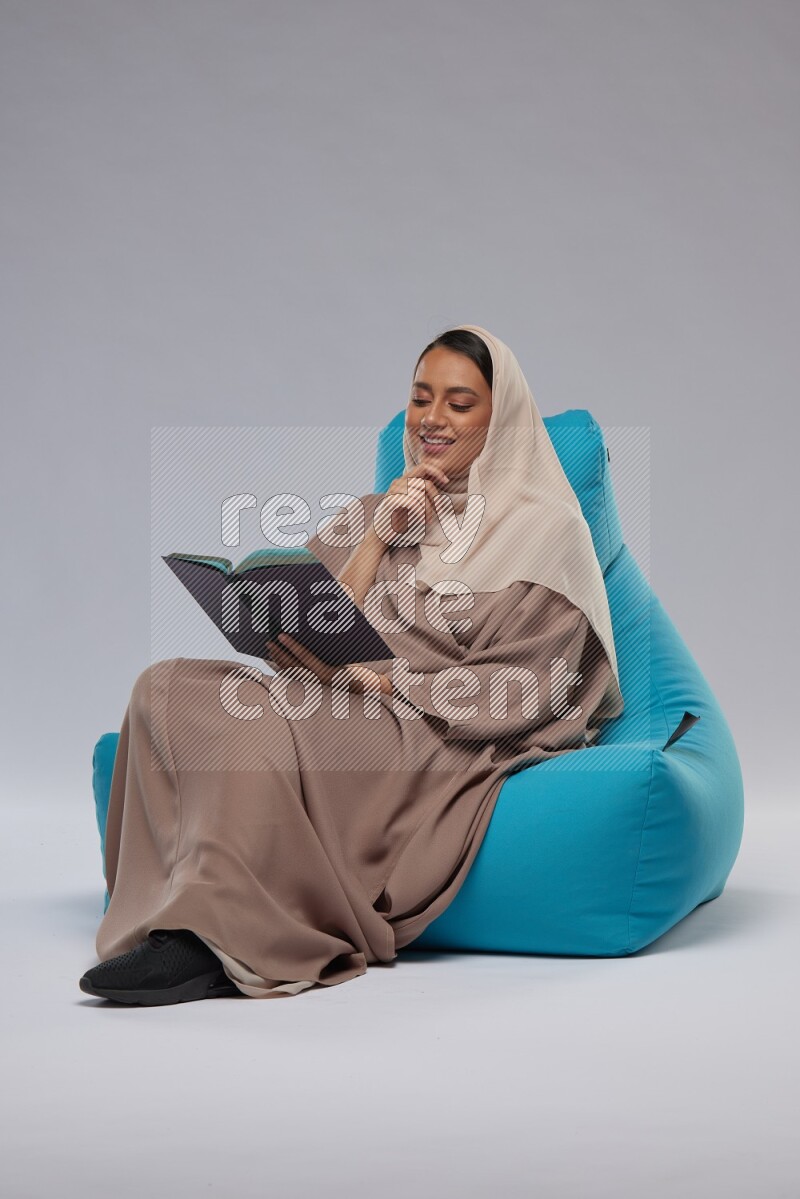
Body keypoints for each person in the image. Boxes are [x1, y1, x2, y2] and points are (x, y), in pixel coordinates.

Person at [79, 323, 624, 1005]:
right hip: (339, 698)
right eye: (421, 397)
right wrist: (375, 537)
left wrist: (384, 680)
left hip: (434, 731)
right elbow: (306, 637)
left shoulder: (548, 532)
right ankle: (166, 911)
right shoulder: (380, 510)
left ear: (501, 416)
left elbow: (526, 688)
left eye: (459, 403)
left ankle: (217, 941)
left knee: (258, 727)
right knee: (164, 687)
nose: (431, 418)